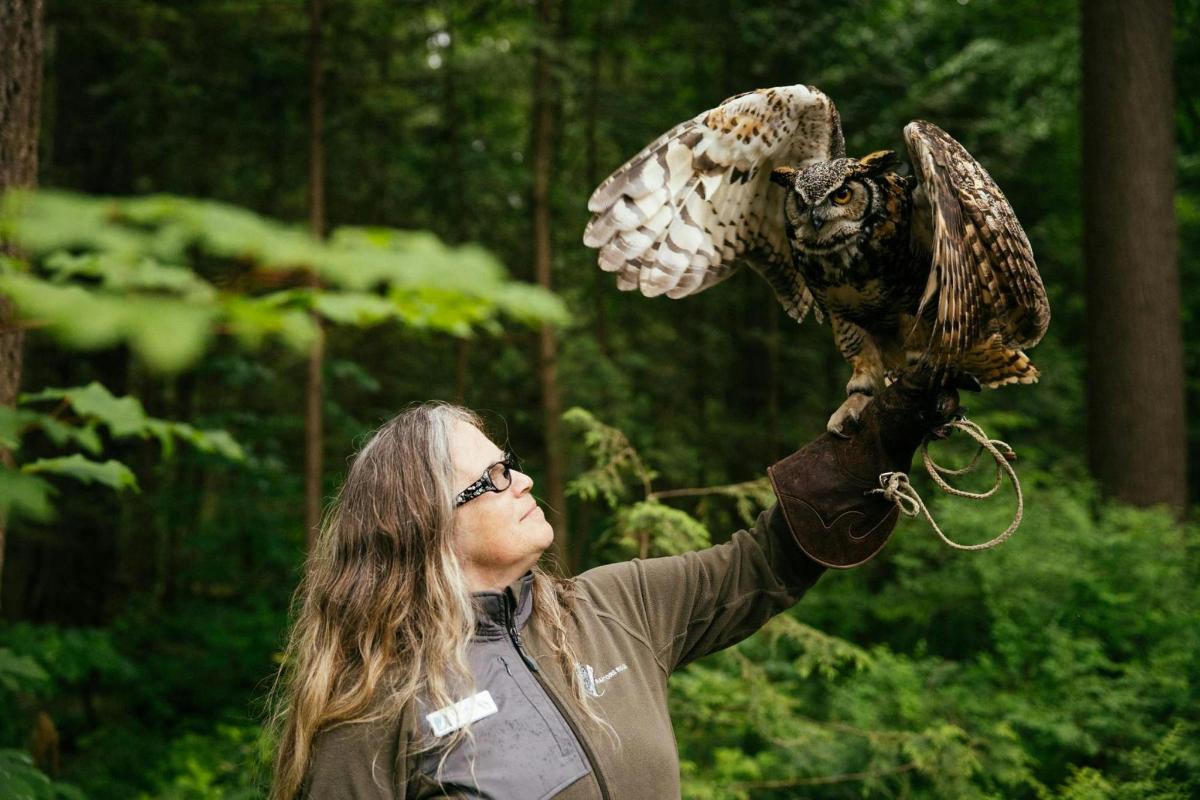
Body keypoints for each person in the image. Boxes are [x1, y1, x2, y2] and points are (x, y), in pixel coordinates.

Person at [267, 376, 959, 799]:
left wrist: (882, 433)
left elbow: (766, 563)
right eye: (494, 479)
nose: (524, 481)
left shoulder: (614, 608)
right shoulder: (372, 715)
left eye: (513, 464)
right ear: (422, 524)